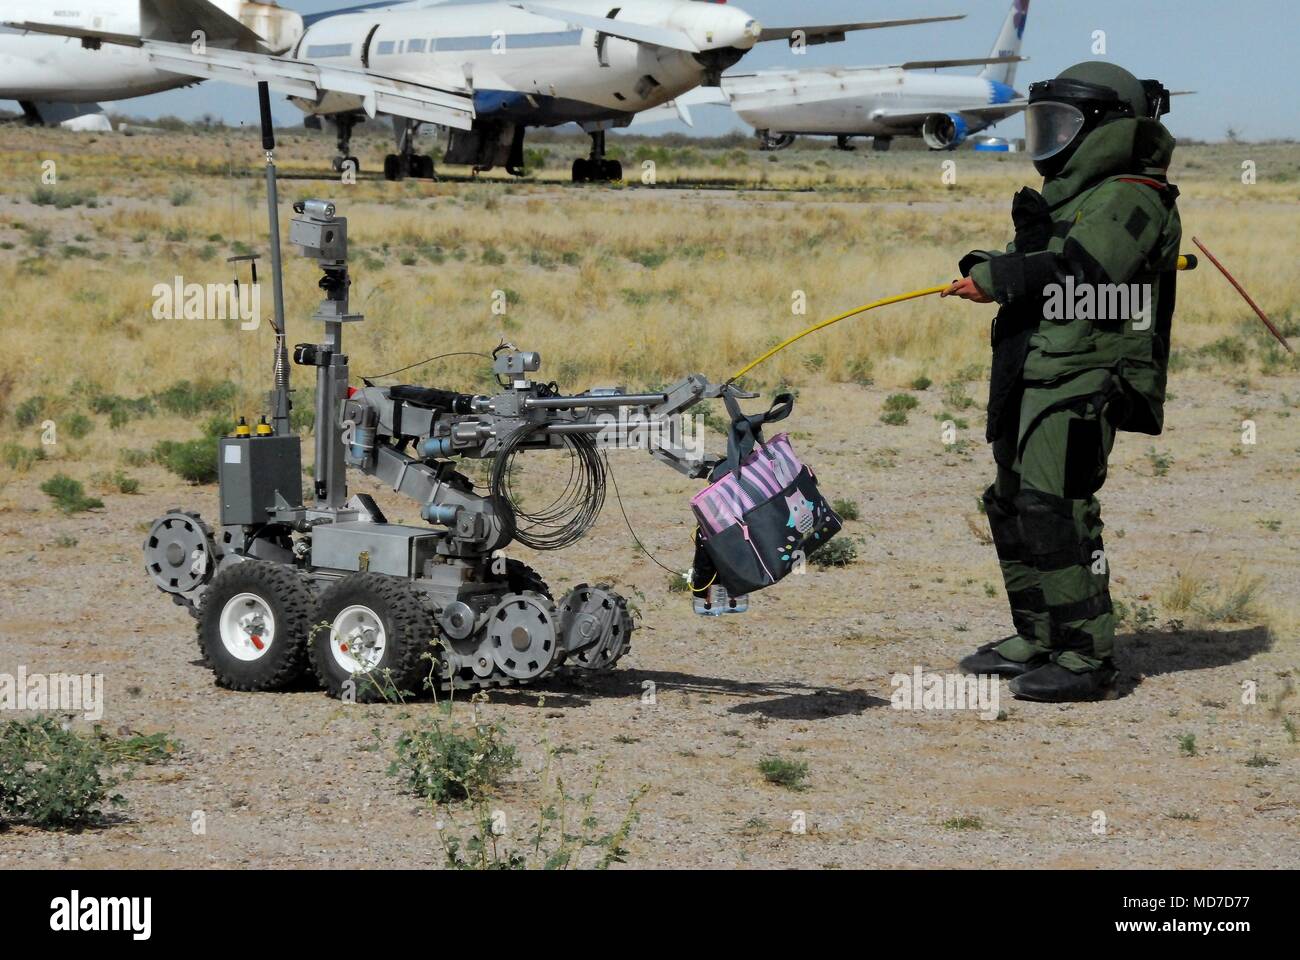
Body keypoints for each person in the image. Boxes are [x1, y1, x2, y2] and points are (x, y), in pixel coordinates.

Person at [942, 61, 1183, 702]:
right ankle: (1040, 635)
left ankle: (1086, 657)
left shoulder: (1133, 194)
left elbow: (1087, 274)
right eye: (1042, 123)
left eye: (1063, 124)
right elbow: (1047, 268)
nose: (1048, 137)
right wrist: (997, 264)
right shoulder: (1072, 195)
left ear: (1106, 128)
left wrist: (1002, 278)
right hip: (1036, 368)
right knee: (1013, 504)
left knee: (1061, 511)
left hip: (1083, 378)